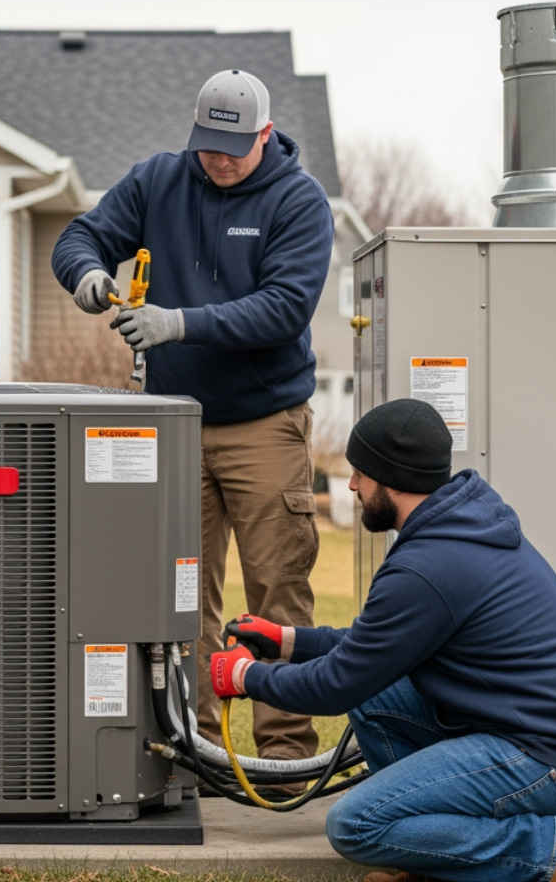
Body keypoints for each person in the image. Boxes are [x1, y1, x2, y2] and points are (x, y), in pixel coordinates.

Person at [211, 399, 556, 882]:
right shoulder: (457, 527)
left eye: (359, 474)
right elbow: (375, 650)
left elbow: (336, 685)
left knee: (354, 825)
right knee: (378, 696)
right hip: (545, 736)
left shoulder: (428, 566)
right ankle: (430, 857)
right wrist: (287, 641)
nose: (351, 486)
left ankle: (551, 850)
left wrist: (245, 676)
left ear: (389, 478)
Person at [51, 69, 334, 770]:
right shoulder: (159, 181)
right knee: (179, 592)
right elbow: (79, 237)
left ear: (266, 134)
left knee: (278, 590)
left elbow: (283, 309)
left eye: (234, 147)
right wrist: (87, 276)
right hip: (173, 426)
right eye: (208, 144)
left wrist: (179, 322)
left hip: (264, 423)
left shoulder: (299, 203)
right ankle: (192, 748)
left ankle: (285, 751)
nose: (219, 159)